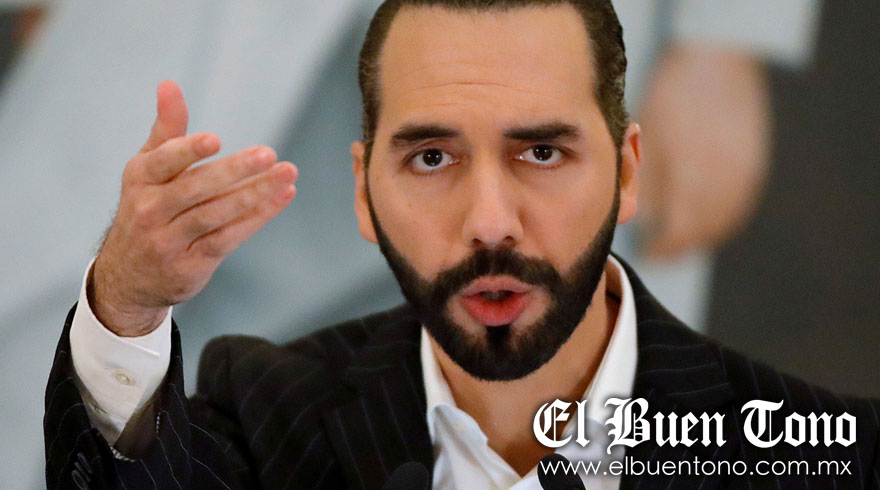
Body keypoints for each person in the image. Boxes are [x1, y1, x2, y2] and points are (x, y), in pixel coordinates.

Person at [44, 1, 879, 489]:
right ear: (368, 184)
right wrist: (127, 306)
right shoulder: (256, 404)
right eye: (432, 160)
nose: (489, 221)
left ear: (627, 168)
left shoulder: (807, 451)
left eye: (541, 154)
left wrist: (727, 32)